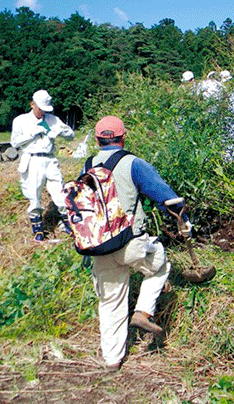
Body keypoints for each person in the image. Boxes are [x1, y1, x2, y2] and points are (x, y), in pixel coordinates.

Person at [85, 116, 192, 372]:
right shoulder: (134, 164)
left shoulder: (88, 166)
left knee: (110, 302)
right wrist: (184, 221)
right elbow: (166, 198)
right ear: (123, 137)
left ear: (98, 140)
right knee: (160, 265)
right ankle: (143, 312)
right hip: (131, 242)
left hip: (98, 247)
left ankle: (112, 360)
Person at [10, 89, 75, 242]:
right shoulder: (21, 120)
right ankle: (38, 229)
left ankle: (67, 224)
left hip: (50, 159)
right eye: (40, 109)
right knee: (34, 194)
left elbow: (71, 135)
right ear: (32, 104)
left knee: (60, 191)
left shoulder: (53, 119)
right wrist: (32, 134)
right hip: (32, 160)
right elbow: (14, 142)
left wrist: (61, 132)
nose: (42, 113)